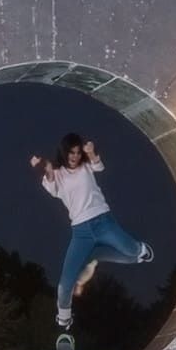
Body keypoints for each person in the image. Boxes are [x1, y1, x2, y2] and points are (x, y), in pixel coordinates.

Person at [32, 133, 152, 338]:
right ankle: (64, 316)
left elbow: (99, 166)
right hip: (81, 233)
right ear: (64, 152)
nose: (75, 157)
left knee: (132, 252)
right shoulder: (57, 175)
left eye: (78, 153)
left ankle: (139, 249)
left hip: (104, 222)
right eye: (72, 153)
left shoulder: (86, 165)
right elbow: (51, 185)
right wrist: (47, 168)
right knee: (64, 285)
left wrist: (92, 153)